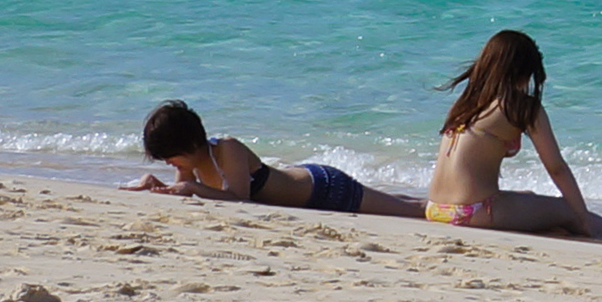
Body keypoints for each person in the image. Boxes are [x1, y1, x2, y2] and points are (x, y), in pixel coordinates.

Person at [424, 30, 602, 240]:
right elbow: (556, 167)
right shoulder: (521, 106)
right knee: (566, 208)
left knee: (528, 197)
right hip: (472, 212)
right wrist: (582, 218)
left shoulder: (468, 106)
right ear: (524, 71)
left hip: (435, 208)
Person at [131, 100, 418, 217]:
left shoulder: (226, 149)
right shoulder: (191, 164)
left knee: (412, 211)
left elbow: (240, 198)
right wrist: (153, 183)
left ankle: (456, 208)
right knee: (398, 202)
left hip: (325, 189)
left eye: (172, 157)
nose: (171, 164)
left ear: (192, 143)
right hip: (307, 189)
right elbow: (181, 191)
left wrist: (192, 188)